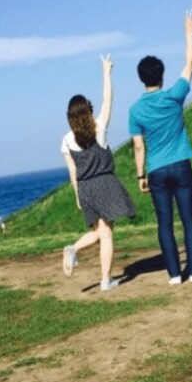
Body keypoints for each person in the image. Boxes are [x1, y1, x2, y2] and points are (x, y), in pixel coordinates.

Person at [129, 9, 192, 286]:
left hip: (156, 170)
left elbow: (138, 147)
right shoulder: (175, 96)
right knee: (189, 220)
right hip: (181, 164)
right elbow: (191, 64)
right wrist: (189, 33)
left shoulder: (135, 110)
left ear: (142, 78)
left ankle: (175, 275)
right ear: (161, 76)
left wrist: (140, 176)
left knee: (164, 223)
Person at [61, 54, 137, 292]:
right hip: (104, 183)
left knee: (99, 232)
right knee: (107, 234)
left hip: (85, 188)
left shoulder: (66, 140)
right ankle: (105, 280)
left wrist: (77, 196)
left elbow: (73, 171)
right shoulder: (99, 128)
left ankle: (74, 249)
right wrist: (106, 73)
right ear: (88, 111)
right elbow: (108, 99)